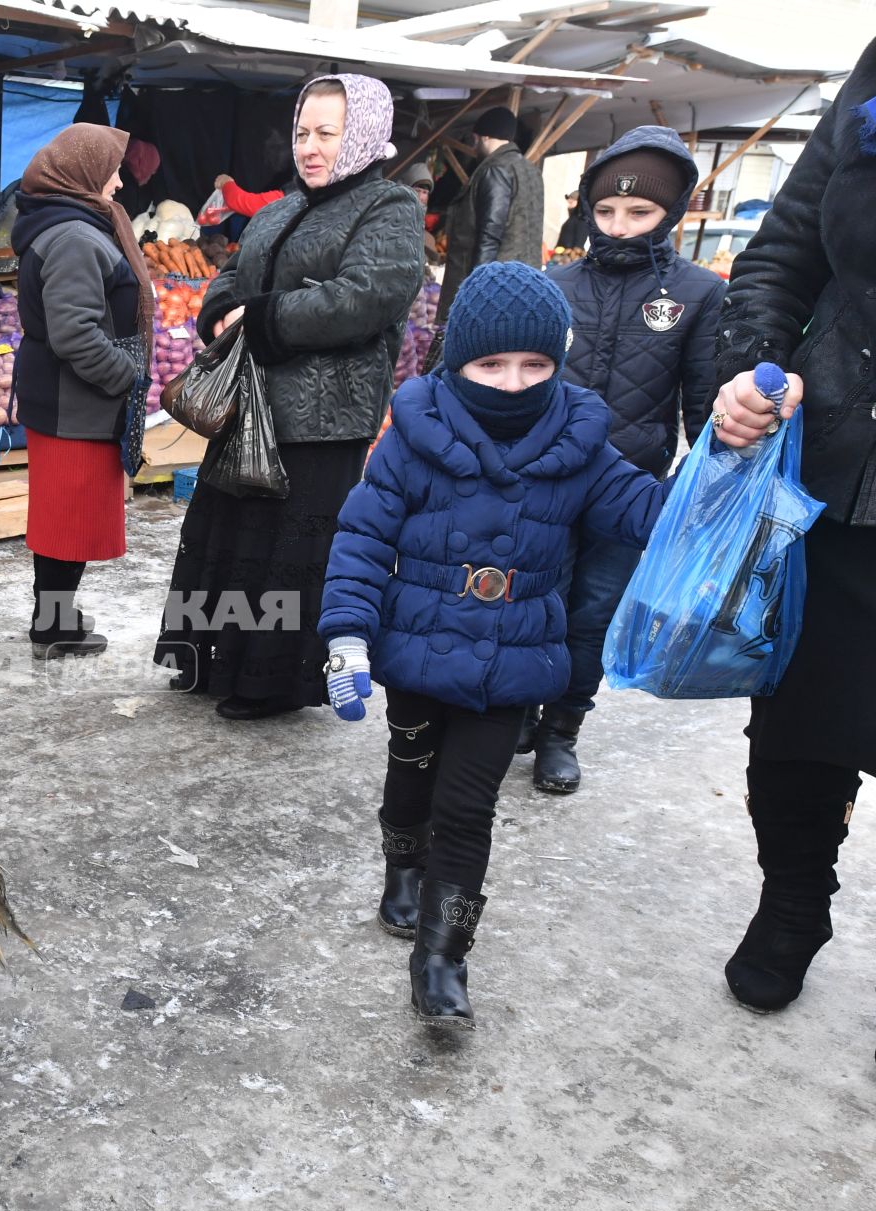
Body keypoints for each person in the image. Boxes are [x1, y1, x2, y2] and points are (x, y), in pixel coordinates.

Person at [319, 263, 668, 1027]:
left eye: (535, 364)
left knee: (469, 808)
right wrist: (346, 635)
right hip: (417, 654)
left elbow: (652, 514)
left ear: (558, 361)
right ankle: (402, 869)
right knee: (411, 777)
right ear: (458, 360)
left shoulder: (580, 443)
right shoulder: (412, 439)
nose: (513, 383)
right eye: (492, 363)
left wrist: (728, 466)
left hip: (513, 667)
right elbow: (362, 541)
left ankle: (443, 957)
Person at [154, 74, 424, 719]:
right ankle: (209, 658)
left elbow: (367, 296)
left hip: (324, 416)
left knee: (288, 551)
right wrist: (220, 309)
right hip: (250, 404)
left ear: (360, 135)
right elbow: (230, 274)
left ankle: (269, 683)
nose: (310, 146)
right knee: (225, 534)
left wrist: (262, 317)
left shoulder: (387, 208)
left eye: (327, 134)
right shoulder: (277, 208)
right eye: (303, 132)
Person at [701, 36, 876, 1022]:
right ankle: (795, 898)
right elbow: (787, 247)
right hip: (839, 464)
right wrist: (754, 366)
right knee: (803, 721)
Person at [524, 127, 723, 792]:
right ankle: (519, 706)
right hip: (543, 483)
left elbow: (703, 403)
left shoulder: (697, 294)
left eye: (641, 214)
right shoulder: (555, 283)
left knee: (591, 615)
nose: (619, 227)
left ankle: (562, 729)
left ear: (672, 212)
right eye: (606, 211)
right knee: (534, 602)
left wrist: (698, 490)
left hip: (630, 490)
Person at [12, 122, 153, 659]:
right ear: (85, 173)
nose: (118, 183)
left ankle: (55, 619)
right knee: (65, 522)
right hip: (76, 404)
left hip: (71, 401)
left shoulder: (70, 226)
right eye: (113, 171)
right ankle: (52, 629)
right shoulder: (73, 237)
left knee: (65, 519)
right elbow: (75, 333)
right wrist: (127, 375)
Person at [438, 107, 544, 318]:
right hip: (519, 281)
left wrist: (477, 291)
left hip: (493, 286)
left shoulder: (496, 169)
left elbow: (490, 233)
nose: (475, 146)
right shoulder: (531, 171)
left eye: (476, 139)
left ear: (485, 137)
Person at [393, 163, 440, 386]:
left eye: (425, 191)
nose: (422, 196)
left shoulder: (418, 219)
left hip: (418, 298)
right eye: (417, 189)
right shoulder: (395, 216)